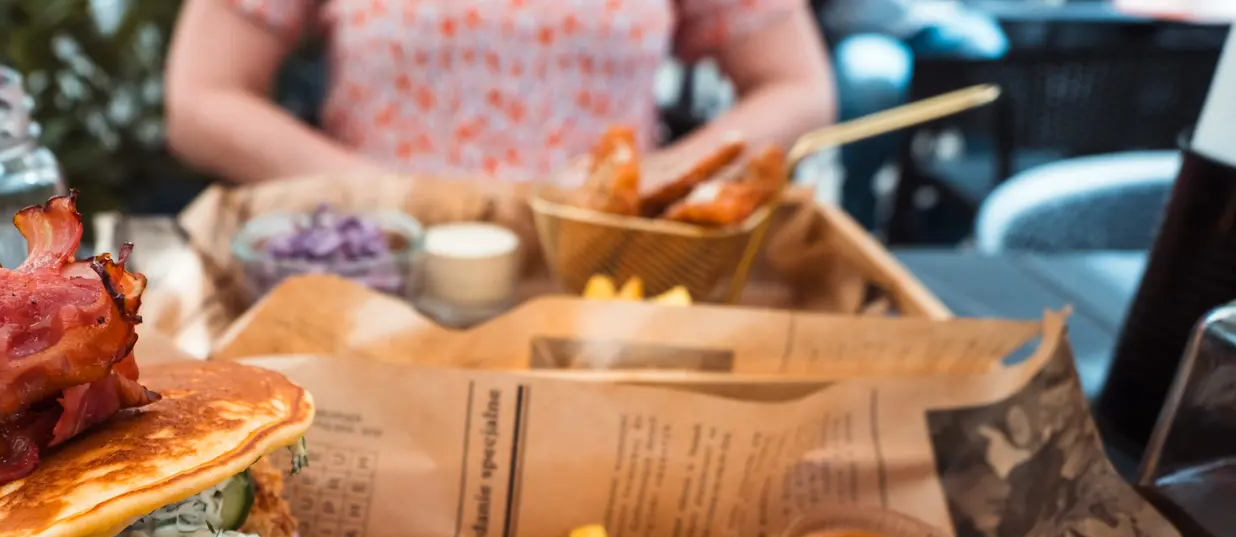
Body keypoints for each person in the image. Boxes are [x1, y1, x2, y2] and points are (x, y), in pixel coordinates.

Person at [164, 0, 835, 185]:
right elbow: (202, 98)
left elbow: (797, 86)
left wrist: (654, 182)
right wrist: (392, 196)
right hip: (376, 281)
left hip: (608, 281)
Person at [821, 0, 1008, 231]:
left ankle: (972, 200)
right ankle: (858, 210)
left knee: (994, 52)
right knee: (871, 83)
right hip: (869, 24)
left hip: (942, 18)